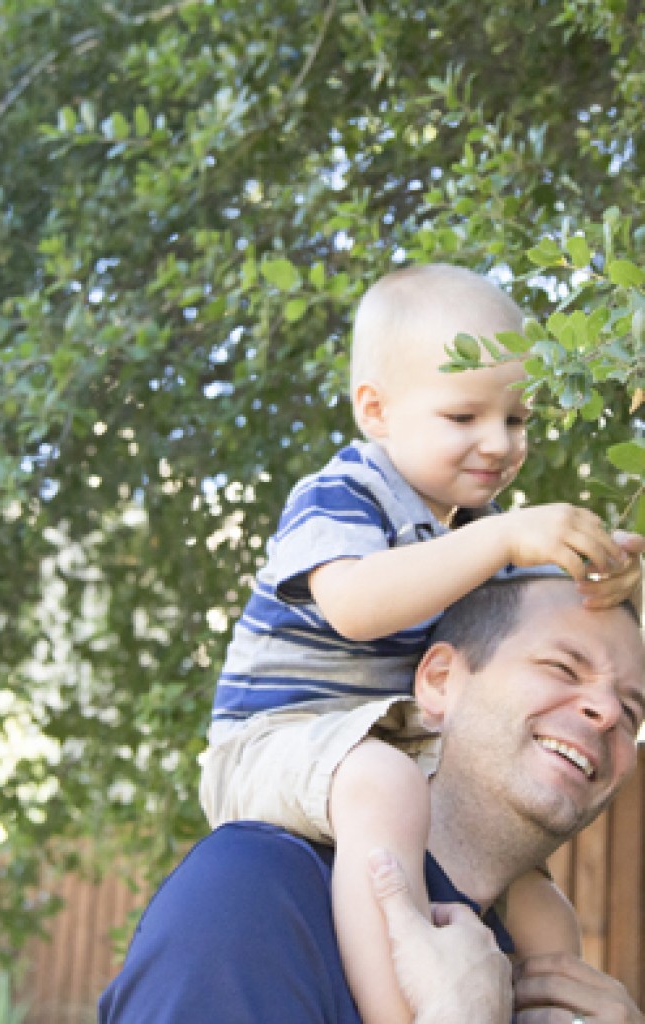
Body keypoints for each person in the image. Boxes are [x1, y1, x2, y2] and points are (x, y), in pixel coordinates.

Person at [199, 263, 643, 1024]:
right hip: (275, 741)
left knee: (542, 909)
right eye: (465, 416)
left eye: (517, 419)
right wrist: (507, 537)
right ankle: (398, 1007)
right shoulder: (342, 492)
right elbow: (356, 606)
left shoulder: (474, 529)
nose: (499, 443)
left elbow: (532, 602)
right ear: (376, 410)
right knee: (383, 783)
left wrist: (603, 560)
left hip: (384, 743)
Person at [100, 574, 645, 1023]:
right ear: (438, 682)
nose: (607, 712)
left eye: (633, 711)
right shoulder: (255, 895)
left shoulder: (542, 969)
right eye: (563, 668)